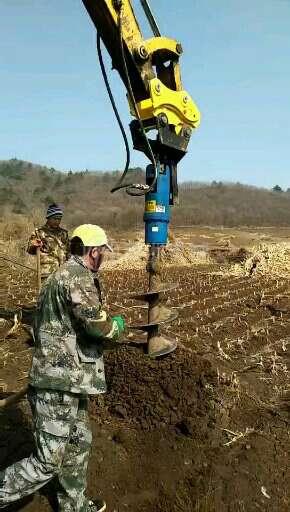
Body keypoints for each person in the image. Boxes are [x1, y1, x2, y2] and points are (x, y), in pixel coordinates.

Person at [0, 224, 128, 512]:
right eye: (102, 252)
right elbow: (97, 327)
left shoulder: (59, 276)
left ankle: (74, 507)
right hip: (57, 385)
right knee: (46, 463)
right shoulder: (77, 277)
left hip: (71, 381)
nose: (103, 258)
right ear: (93, 252)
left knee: (77, 444)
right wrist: (118, 327)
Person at [27, 203, 70, 281]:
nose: (57, 221)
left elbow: (69, 253)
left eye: (59, 219)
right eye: (55, 218)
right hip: (47, 272)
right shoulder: (39, 232)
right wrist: (34, 245)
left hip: (63, 272)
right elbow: (30, 249)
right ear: (48, 218)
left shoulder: (64, 233)